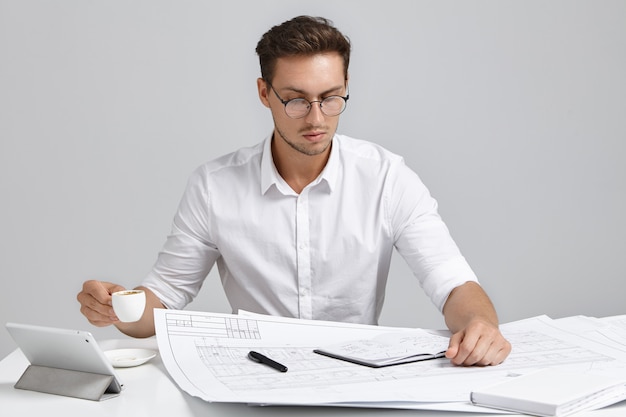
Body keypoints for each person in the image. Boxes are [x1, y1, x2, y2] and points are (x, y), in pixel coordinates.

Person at [77, 15, 511, 366]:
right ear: (265, 93)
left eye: (331, 98)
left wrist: (480, 325)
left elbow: (453, 284)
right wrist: (119, 307)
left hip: (355, 377)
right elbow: (163, 300)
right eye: (296, 100)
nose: (316, 118)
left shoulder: (387, 178)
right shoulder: (214, 186)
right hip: (250, 375)